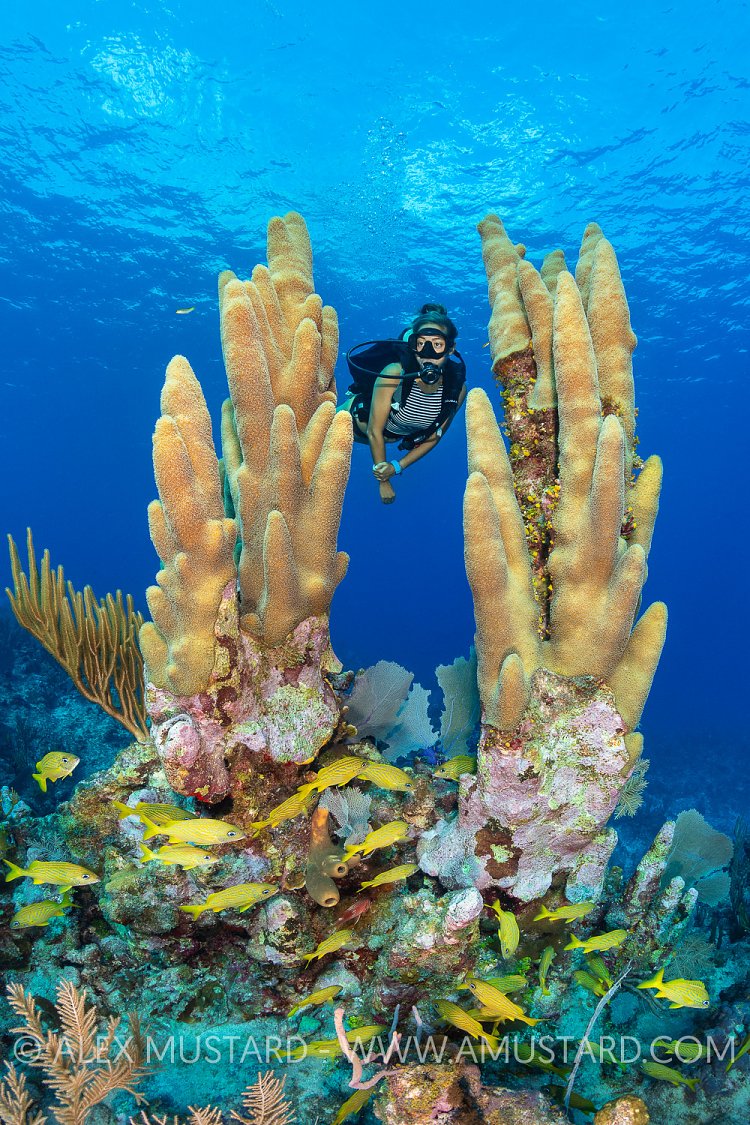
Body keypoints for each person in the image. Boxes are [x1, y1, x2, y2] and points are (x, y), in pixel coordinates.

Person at [340, 303, 468, 504]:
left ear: (451, 348)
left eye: (437, 344)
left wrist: (397, 466)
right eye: (421, 344)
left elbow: (435, 435)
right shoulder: (394, 373)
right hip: (349, 421)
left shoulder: (456, 388)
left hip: (388, 438)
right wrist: (383, 480)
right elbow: (374, 430)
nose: (428, 353)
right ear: (412, 344)